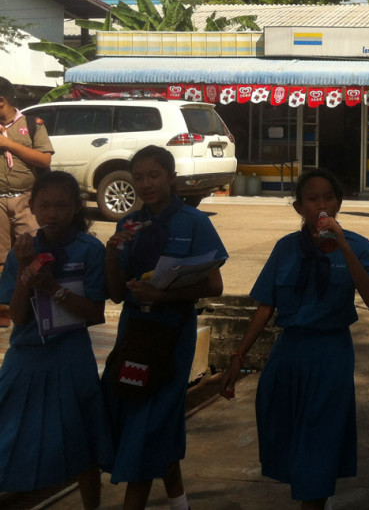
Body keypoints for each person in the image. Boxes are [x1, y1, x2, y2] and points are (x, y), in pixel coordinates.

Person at [219, 168, 369, 510]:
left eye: (328, 197)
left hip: (331, 353)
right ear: (299, 207)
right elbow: (266, 306)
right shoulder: (286, 249)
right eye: (312, 199)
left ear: (338, 203)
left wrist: (343, 246)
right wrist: (238, 356)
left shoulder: (357, 245)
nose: (321, 205)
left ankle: (315, 498)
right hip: (289, 352)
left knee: (320, 434)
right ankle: (313, 493)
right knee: (284, 430)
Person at [102, 145, 229, 510]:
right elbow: (115, 294)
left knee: (150, 423)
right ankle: (180, 503)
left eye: (154, 175)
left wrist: (163, 295)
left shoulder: (194, 222)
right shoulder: (128, 225)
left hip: (172, 335)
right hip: (134, 332)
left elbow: (214, 286)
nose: (146, 184)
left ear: (172, 178)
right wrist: (111, 254)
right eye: (138, 177)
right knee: (143, 418)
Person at [0, 171, 110, 509]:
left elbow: (94, 312)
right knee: (8, 432)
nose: (52, 214)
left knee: (81, 440)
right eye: (45, 206)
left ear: (76, 207)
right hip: (27, 354)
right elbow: (17, 316)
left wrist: (53, 289)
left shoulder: (89, 250)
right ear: (31, 206)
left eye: (61, 206)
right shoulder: (22, 249)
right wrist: (25, 269)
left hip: (70, 354)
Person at [0, 76, 54, 327]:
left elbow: (44, 160)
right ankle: (3, 308)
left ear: (2, 101)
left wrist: (8, 144)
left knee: (33, 250)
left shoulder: (32, 124)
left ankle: (33, 302)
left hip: (26, 199)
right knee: (1, 257)